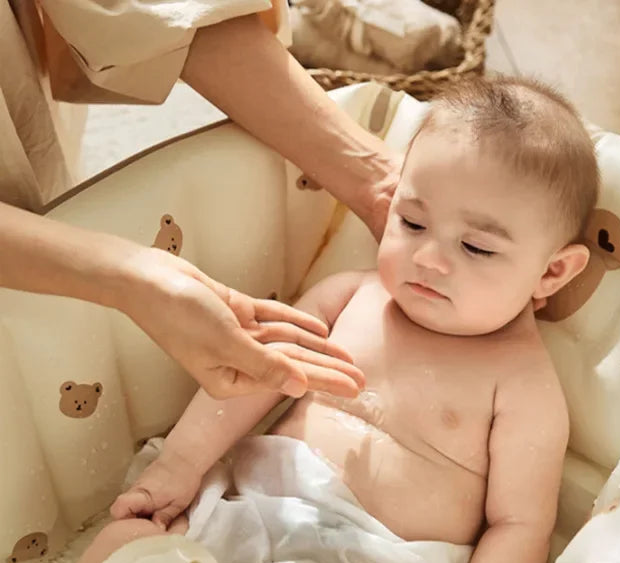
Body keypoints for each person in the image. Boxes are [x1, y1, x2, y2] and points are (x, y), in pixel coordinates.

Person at [43, 75, 598, 563]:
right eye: (412, 222)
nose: (429, 258)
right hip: (244, 520)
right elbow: (248, 375)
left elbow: (519, 527)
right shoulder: (349, 296)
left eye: (476, 247)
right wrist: (181, 463)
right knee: (123, 552)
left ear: (553, 271)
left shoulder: (524, 386)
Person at [1, 1, 401, 399]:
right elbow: (261, 385)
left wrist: (375, 179)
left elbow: (151, 7)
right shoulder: (347, 297)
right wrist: (135, 279)